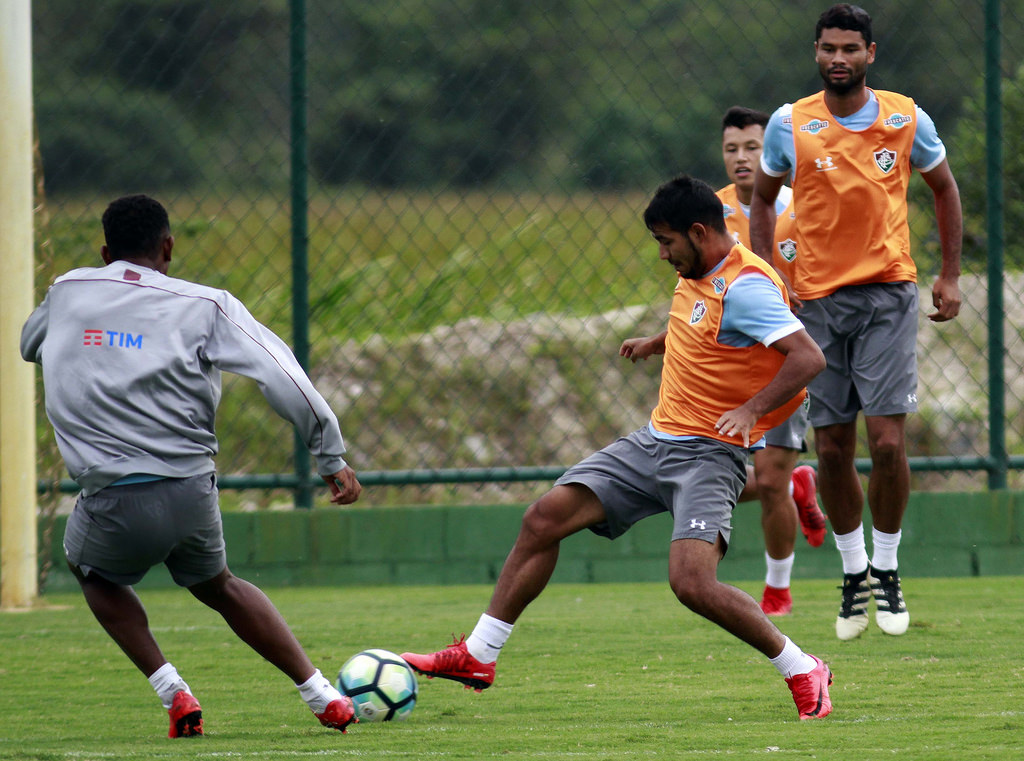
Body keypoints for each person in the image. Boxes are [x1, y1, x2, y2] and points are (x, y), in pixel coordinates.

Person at [402, 175, 834, 720]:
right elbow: (706, 325)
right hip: (655, 441)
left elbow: (807, 358)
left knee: (692, 584)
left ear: (699, 233)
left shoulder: (747, 286)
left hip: (709, 454)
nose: (661, 254)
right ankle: (478, 655)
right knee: (544, 518)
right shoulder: (699, 270)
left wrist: (751, 410)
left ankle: (801, 666)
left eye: (666, 241)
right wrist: (659, 342)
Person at [20, 194, 364, 737]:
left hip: (110, 495)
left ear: (106, 250)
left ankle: (173, 692)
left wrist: (98, 342)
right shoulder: (207, 304)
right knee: (218, 585)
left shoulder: (68, 291)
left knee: (91, 571)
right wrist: (329, 454)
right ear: (168, 246)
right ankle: (323, 696)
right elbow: (284, 376)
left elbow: (29, 343)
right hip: (189, 489)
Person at [749, 4, 962, 641]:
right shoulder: (790, 123)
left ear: (871, 53)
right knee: (835, 448)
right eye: (826, 48)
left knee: (889, 444)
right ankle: (853, 573)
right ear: (815, 53)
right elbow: (761, 201)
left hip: (889, 295)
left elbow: (944, 187)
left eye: (849, 48)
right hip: (814, 303)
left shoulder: (906, 116)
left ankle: (889, 568)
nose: (837, 58)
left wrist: (949, 275)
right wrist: (768, 282)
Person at [717, 105, 828, 616]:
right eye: (732, 149)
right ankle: (797, 485)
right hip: (725, 368)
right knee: (740, 480)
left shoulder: (797, 207)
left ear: (772, 152)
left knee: (769, 475)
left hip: (784, 364)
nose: (742, 159)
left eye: (753, 148)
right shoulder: (709, 214)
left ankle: (777, 589)